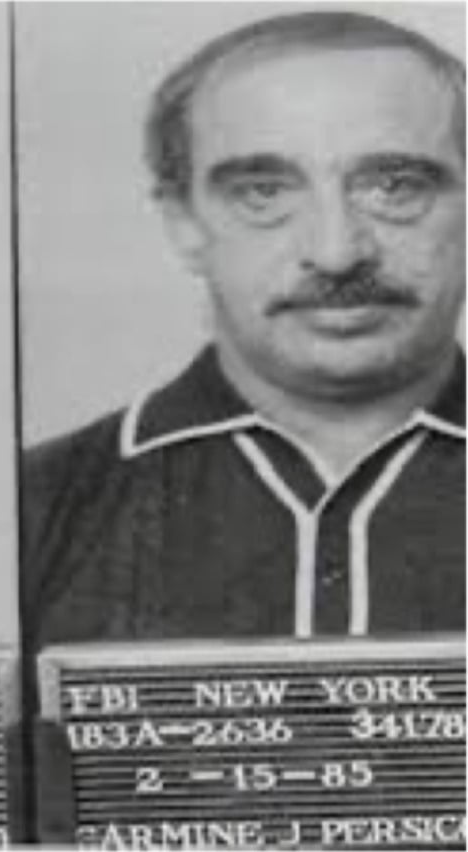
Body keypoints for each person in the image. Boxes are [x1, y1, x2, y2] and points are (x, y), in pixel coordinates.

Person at [23, 11, 465, 650]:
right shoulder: (34, 512)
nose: (337, 252)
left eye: (395, 187)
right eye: (263, 193)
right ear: (184, 224)